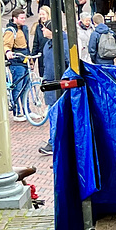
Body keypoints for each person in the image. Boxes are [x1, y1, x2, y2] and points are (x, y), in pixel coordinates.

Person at [38, 22, 69, 156]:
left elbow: (69, 63)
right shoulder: (47, 45)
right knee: (53, 114)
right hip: (51, 85)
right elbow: (46, 65)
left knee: (55, 114)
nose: (43, 30)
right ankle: (54, 141)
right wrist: (44, 78)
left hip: (60, 86)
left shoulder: (64, 44)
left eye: (45, 27)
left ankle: (53, 142)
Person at [3, 8, 31, 122]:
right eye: (22, 18)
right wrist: (8, 52)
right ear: (15, 19)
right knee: (18, 86)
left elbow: (26, 46)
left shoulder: (24, 29)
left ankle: (27, 111)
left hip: (24, 59)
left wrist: (31, 61)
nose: (24, 20)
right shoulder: (11, 31)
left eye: (24, 18)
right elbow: (6, 44)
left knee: (27, 86)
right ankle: (17, 112)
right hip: (16, 61)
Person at [30, 5, 51, 77]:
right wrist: (33, 60)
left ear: (48, 14)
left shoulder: (53, 26)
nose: (41, 16)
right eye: (40, 14)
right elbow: (36, 44)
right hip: (41, 58)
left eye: (43, 14)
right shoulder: (38, 27)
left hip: (51, 57)